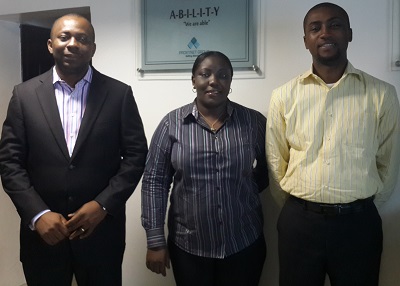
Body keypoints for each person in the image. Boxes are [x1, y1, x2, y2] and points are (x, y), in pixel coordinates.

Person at [0, 14, 148, 286]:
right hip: (43, 236)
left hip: (101, 234)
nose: (72, 44)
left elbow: (136, 157)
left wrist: (103, 204)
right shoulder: (24, 95)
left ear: (92, 48)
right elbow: (10, 163)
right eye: (64, 37)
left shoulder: (118, 94)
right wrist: (37, 214)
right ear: (50, 44)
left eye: (82, 39)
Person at [266, 3, 400, 286]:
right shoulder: (283, 96)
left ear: (349, 33)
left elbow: (388, 162)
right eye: (315, 28)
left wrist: (360, 207)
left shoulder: (382, 94)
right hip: (299, 224)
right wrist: (299, 207)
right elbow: (276, 161)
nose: (325, 33)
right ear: (306, 41)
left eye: (335, 25)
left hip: (358, 225)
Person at [141, 51, 268, 286]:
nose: (213, 81)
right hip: (189, 247)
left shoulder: (254, 122)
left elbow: (268, 171)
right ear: (193, 81)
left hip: (243, 242)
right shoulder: (171, 124)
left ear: (230, 82)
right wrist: (155, 241)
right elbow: (154, 182)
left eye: (223, 75)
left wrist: (242, 191)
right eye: (205, 74)